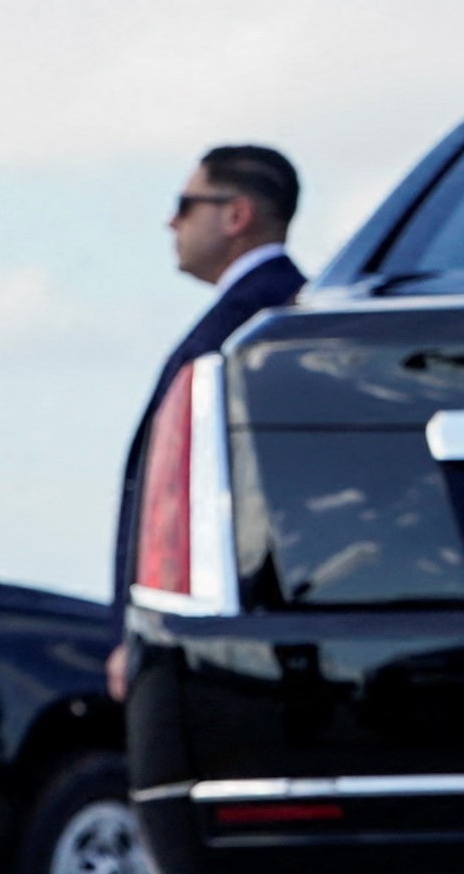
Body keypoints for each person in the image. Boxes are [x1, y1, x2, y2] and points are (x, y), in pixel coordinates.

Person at [109, 144, 304, 686]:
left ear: (236, 214)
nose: (171, 220)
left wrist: (138, 631)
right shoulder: (282, 316)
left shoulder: (244, 329)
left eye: (186, 203)